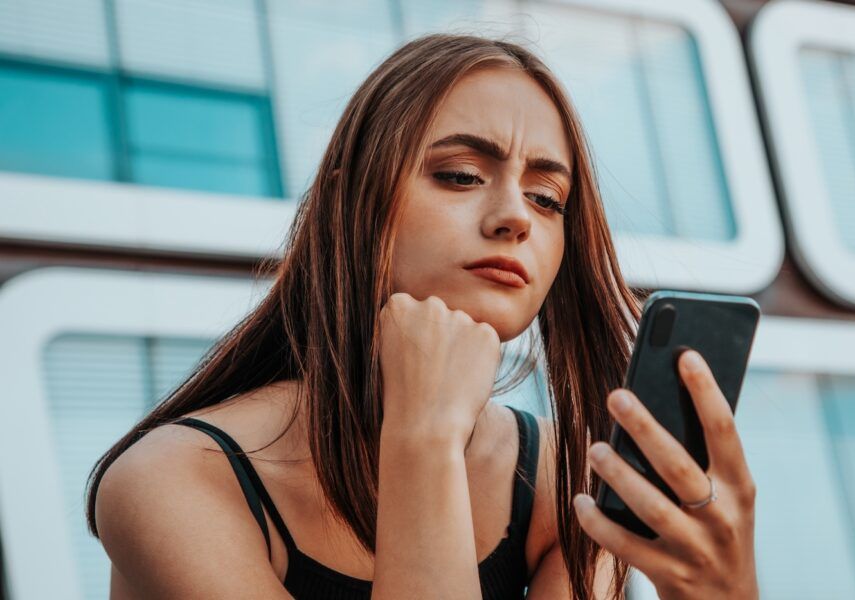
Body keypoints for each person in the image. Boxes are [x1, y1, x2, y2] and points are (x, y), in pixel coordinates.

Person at [86, 33, 758, 599]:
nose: (515, 218)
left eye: (548, 198)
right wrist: (424, 438)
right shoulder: (174, 479)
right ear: (355, 206)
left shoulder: (563, 480)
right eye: (462, 175)